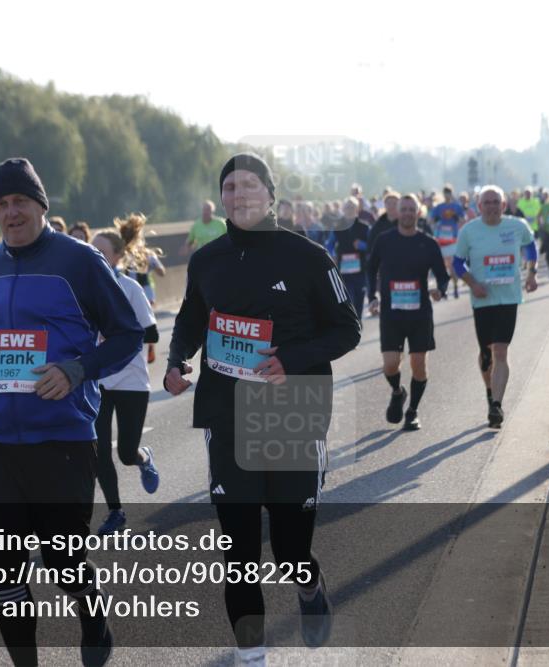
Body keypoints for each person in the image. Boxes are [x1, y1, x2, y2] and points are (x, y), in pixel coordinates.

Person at [0, 157, 144, 667]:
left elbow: (126, 335)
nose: (11, 213)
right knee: (6, 573)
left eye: (21, 202)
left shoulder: (78, 261)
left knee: (63, 562)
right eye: (2, 204)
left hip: (63, 440)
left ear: (40, 207)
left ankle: (93, 618)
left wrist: (77, 370)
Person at [164, 153, 360, 665]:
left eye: (249, 185)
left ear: (270, 195)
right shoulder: (207, 260)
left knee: (291, 552)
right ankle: (253, 656)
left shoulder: (309, 257)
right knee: (240, 553)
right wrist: (177, 359)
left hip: (292, 409)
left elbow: (348, 328)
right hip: (226, 414)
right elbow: (189, 319)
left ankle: (309, 586)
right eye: (229, 187)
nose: (238, 194)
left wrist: (292, 360)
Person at [91, 229, 161, 536]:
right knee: (99, 451)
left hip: (131, 379)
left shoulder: (130, 288)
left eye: (101, 252)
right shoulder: (82, 290)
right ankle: (116, 512)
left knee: (125, 452)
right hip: (99, 380)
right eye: (91, 251)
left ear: (118, 256)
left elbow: (152, 334)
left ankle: (143, 458)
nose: (95, 257)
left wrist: (116, 335)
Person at [452, 185, 538, 428]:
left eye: (495, 202)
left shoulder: (517, 226)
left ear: (503, 205)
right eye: (486, 203)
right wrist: (473, 283)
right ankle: (490, 392)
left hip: (509, 297)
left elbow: (531, 248)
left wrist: (532, 274)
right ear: (479, 207)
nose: (491, 207)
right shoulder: (469, 231)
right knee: (487, 353)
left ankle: (497, 405)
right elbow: (458, 264)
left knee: (501, 350)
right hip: (482, 299)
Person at [367, 193, 449, 431]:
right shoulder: (384, 240)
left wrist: (440, 290)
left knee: (419, 365)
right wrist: (373, 297)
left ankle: (412, 411)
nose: (407, 213)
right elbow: (370, 270)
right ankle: (397, 391)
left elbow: (442, 277)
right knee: (390, 364)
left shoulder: (428, 243)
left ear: (418, 212)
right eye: (403, 209)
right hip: (391, 314)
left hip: (420, 313)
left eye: (412, 209)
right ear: (397, 212)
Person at [118, 213, 165, 363]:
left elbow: (161, 271)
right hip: (134, 294)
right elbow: (162, 272)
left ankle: (147, 347)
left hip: (143, 294)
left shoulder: (145, 254)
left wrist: (153, 264)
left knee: (142, 323)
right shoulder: (122, 253)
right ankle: (145, 347)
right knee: (142, 323)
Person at [331, 197, 371, 319]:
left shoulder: (364, 227)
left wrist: (362, 245)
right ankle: (351, 323)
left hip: (360, 271)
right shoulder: (337, 226)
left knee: (359, 299)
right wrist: (332, 253)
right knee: (349, 298)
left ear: (357, 209)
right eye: (347, 207)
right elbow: (329, 243)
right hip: (344, 271)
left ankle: (358, 321)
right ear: (343, 209)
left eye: (352, 207)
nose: (349, 210)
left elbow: (372, 246)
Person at [430, 185, 466, 299]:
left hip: (453, 238)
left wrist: (456, 218)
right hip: (441, 238)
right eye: (445, 193)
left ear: (451, 193)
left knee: (452, 266)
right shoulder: (439, 207)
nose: (447, 195)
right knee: (442, 266)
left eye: (449, 192)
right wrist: (436, 220)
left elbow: (463, 220)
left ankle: (455, 288)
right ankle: (443, 289)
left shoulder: (457, 207)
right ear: (443, 194)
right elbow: (430, 221)